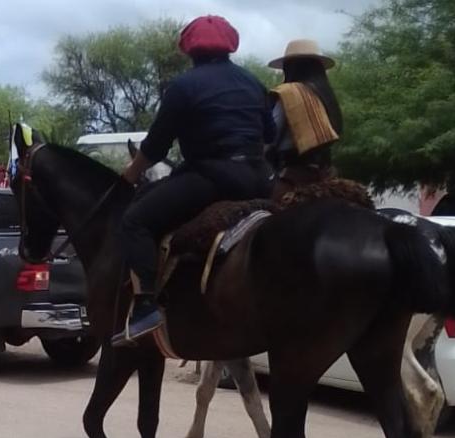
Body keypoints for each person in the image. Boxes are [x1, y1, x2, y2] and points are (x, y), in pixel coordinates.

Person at [114, 15, 277, 345]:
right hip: (260, 180)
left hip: (211, 179)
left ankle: (146, 306)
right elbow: (269, 136)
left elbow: (156, 147)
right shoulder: (252, 82)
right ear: (231, 46)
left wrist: (130, 175)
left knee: (135, 220)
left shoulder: (184, 87)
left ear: (189, 50)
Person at [266, 39, 344, 195]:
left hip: (290, 170)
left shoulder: (288, 93)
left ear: (290, 66)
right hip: (325, 170)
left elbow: (270, 136)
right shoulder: (325, 93)